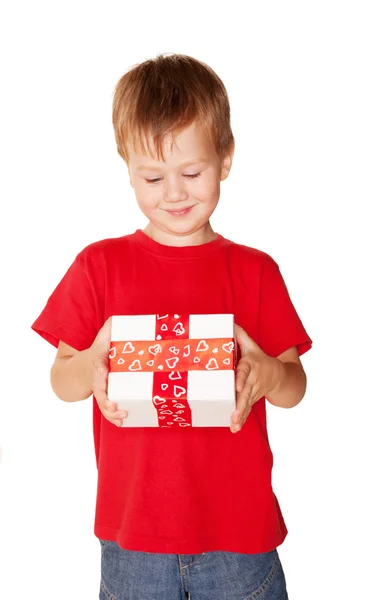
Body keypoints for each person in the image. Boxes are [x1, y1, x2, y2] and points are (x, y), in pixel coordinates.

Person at [31, 53, 312, 600]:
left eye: (192, 172)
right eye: (153, 177)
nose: (175, 193)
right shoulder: (99, 266)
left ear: (225, 159)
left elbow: (295, 388)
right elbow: (61, 382)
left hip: (240, 537)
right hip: (133, 539)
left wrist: (268, 374)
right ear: (128, 169)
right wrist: (92, 364)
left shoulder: (255, 270)